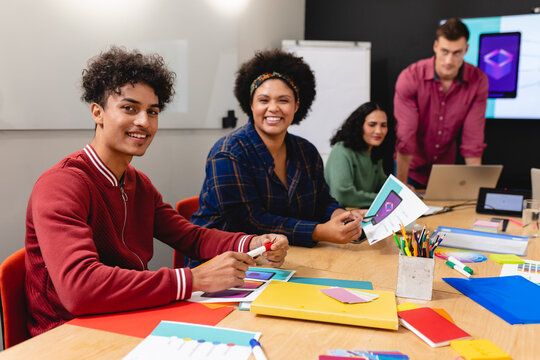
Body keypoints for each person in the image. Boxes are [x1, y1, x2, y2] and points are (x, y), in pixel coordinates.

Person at [24, 47, 288, 337]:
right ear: (97, 113)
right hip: (68, 335)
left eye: (152, 112)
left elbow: (191, 236)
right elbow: (79, 288)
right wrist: (193, 279)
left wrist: (252, 243)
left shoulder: (137, 183)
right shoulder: (62, 184)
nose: (144, 122)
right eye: (129, 108)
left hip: (127, 316)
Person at [191, 49, 365, 249]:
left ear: (296, 105)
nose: (273, 108)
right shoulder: (228, 153)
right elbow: (250, 221)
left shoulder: (306, 152)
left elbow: (322, 202)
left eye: (283, 100)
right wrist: (319, 232)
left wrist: (341, 216)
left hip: (286, 256)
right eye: (264, 100)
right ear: (251, 105)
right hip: (223, 261)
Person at [394, 17, 489, 189]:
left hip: (445, 172)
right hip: (410, 168)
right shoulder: (411, 77)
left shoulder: (478, 81)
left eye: (456, 53)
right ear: (436, 46)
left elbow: (472, 140)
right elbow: (406, 135)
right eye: (445, 51)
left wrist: (477, 190)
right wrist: (401, 184)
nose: (449, 61)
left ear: (466, 49)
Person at [325, 102, 388, 208]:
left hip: (362, 214)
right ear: (359, 126)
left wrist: (403, 191)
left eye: (383, 125)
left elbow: (383, 186)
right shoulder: (341, 150)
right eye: (372, 125)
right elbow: (343, 195)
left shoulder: (374, 151)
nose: (379, 131)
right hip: (339, 219)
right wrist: (386, 200)